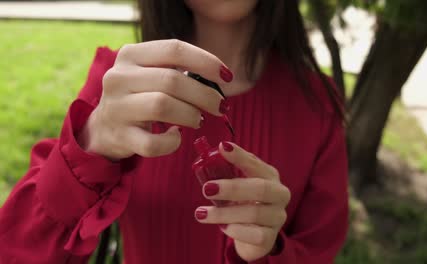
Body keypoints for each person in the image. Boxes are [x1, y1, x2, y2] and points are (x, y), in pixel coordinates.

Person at [0, 0, 348, 263]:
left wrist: (266, 252)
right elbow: (15, 250)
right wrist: (88, 149)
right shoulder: (119, 84)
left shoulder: (319, 104)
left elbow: (320, 249)